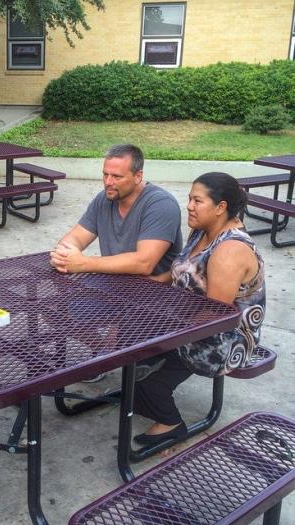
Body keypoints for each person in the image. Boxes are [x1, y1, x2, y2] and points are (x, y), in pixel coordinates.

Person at [133, 172, 266, 445]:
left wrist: (161, 329)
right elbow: (182, 271)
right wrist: (149, 285)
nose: (189, 206)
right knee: (129, 344)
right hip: (187, 322)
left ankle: (171, 425)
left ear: (220, 207)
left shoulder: (230, 250)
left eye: (197, 201)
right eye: (189, 199)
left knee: (144, 379)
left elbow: (214, 316)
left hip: (223, 341)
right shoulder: (202, 231)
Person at [50, 143, 182, 276]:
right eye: (105, 174)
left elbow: (144, 263)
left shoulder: (161, 205)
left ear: (138, 176)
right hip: (113, 284)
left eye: (116, 176)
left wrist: (83, 263)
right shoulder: (104, 199)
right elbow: (76, 237)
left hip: (153, 288)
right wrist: (62, 255)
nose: (108, 182)